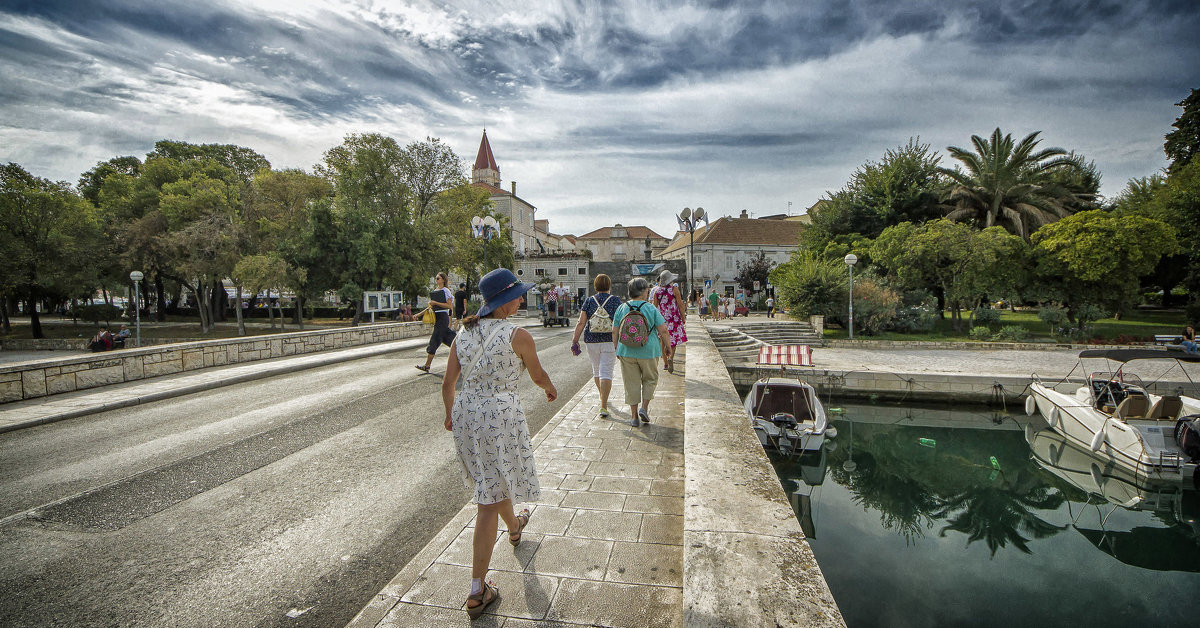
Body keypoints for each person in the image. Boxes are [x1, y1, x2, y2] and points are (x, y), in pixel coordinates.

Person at [442, 268, 557, 619]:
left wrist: (450, 415)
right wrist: (550, 389)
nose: (522, 299)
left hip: (466, 415)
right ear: (505, 301)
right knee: (487, 500)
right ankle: (477, 589)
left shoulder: (464, 332)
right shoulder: (517, 335)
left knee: (493, 480)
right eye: (518, 295)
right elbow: (536, 375)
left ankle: (515, 526)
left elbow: (448, 383)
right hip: (499, 416)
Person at [613, 277, 672, 427]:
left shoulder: (622, 308)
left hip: (626, 350)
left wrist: (617, 348)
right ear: (644, 291)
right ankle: (644, 408)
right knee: (650, 379)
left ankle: (633, 417)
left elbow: (614, 331)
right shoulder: (651, 308)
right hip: (649, 350)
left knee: (631, 383)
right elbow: (663, 330)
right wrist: (668, 347)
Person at [571, 274, 621, 418]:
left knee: (597, 370)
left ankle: (602, 398)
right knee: (607, 372)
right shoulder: (616, 301)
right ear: (609, 285)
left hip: (591, 340)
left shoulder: (589, 301)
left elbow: (581, 322)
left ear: (595, 286)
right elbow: (620, 322)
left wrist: (575, 340)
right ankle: (603, 405)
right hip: (609, 340)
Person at [416, 272, 456, 372]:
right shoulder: (435, 291)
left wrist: (435, 302)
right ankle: (465, 352)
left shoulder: (445, 291)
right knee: (450, 340)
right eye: (436, 278)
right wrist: (418, 315)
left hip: (443, 317)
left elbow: (449, 306)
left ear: (443, 280)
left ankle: (427, 365)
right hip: (437, 317)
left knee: (435, 340)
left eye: (438, 278)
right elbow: (430, 307)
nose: (436, 280)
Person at [649, 270, 687, 373]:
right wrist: (683, 317)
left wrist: (653, 321)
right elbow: (680, 304)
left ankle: (665, 364)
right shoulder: (675, 290)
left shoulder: (656, 292)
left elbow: (654, 307)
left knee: (662, 340)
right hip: (674, 318)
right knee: (673, 341)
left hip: (662, 320)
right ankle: (671, 357)